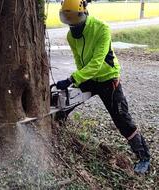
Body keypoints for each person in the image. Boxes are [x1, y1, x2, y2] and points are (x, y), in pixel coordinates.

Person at [56, 0, 150, 174]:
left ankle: (144, 156)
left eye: (75, 21)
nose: (72, 26)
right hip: (88, 77)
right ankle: (56, 131)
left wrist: (72, 78)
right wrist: (76, 80)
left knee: (122, 119)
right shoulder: (70, 36)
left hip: (108, 78)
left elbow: (97, 62)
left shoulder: (101, 28)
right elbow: (79, 60)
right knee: (64, 102)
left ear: (83, 13)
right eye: (68, 22)